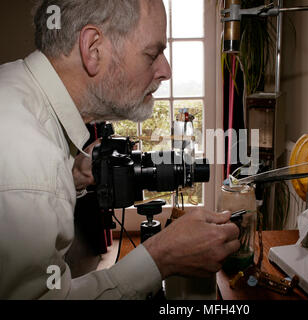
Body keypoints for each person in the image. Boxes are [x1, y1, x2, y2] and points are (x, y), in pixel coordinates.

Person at [0, 0, 240, 299]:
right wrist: (162, 256)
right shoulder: (29, 165)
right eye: (152, 54)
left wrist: (73, 175)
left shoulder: (15, 92)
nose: (165, 71)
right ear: (93, 49)